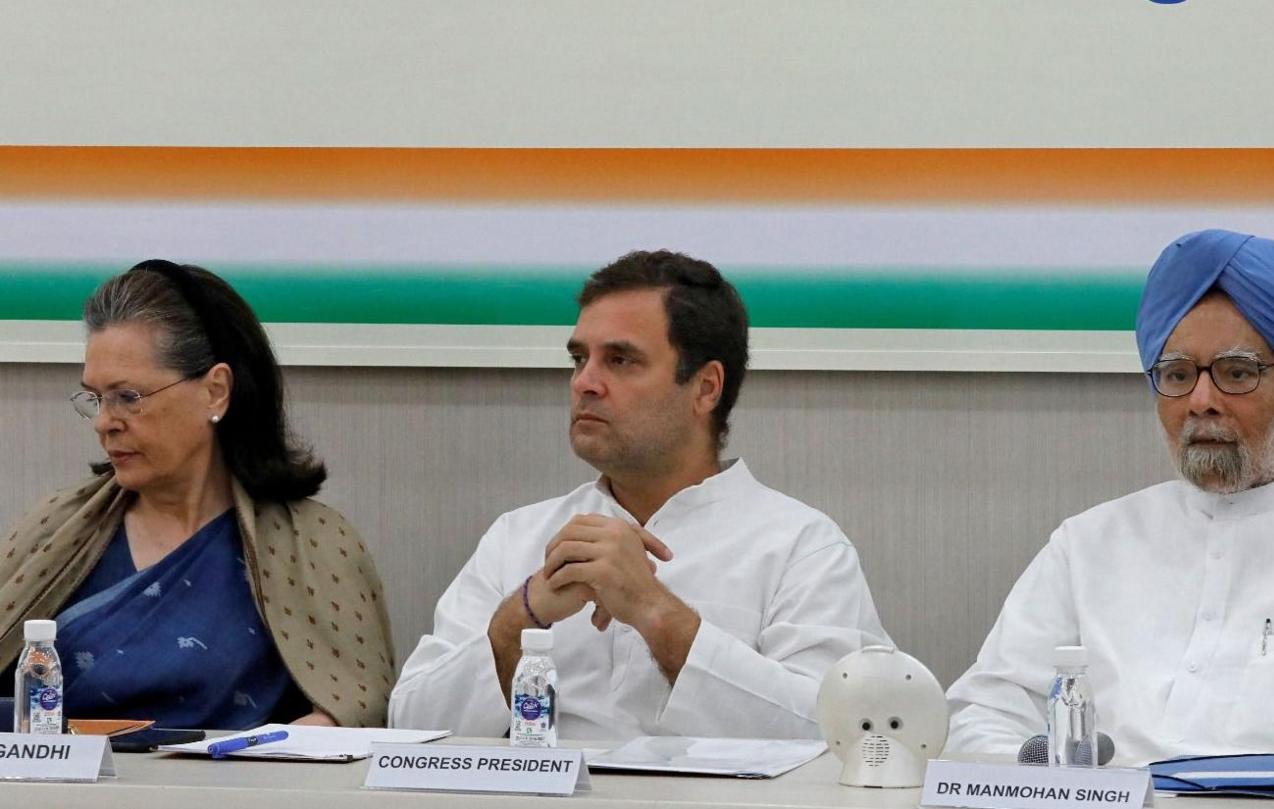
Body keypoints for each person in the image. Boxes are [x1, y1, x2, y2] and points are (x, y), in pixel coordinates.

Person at [947, 229, 1274, 764]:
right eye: (1178, 374)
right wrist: (1043, 778)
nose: (1201, 400)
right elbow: (985, 714)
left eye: (1237, 373)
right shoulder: (1087, 545)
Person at [390, 250, 889, 739]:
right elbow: (409, 728)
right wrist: (521, 617)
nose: (584, 383)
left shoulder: (802, 547)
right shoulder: (518, 537)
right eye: (580, 358)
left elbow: (842, 737)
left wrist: (655, 612)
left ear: (706, 388)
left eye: (621, 360)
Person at [0, 260, 394, 728]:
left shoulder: (315, 543)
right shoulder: (56, 529)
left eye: (128, 396)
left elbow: (359, 708)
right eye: (96, 398)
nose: (106, 421)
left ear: (215, 391)